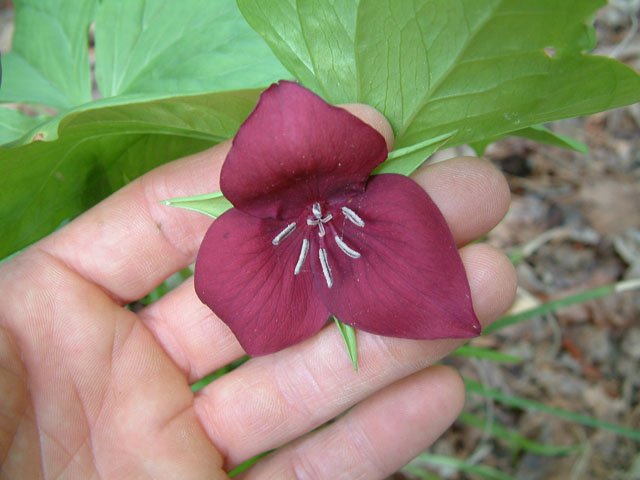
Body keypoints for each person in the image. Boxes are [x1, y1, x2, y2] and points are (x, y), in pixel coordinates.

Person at [0, 104, 516, 479]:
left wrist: (446, 308)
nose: (317, 220)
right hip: (312, 215)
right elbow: (290, 125)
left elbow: (292, 125)